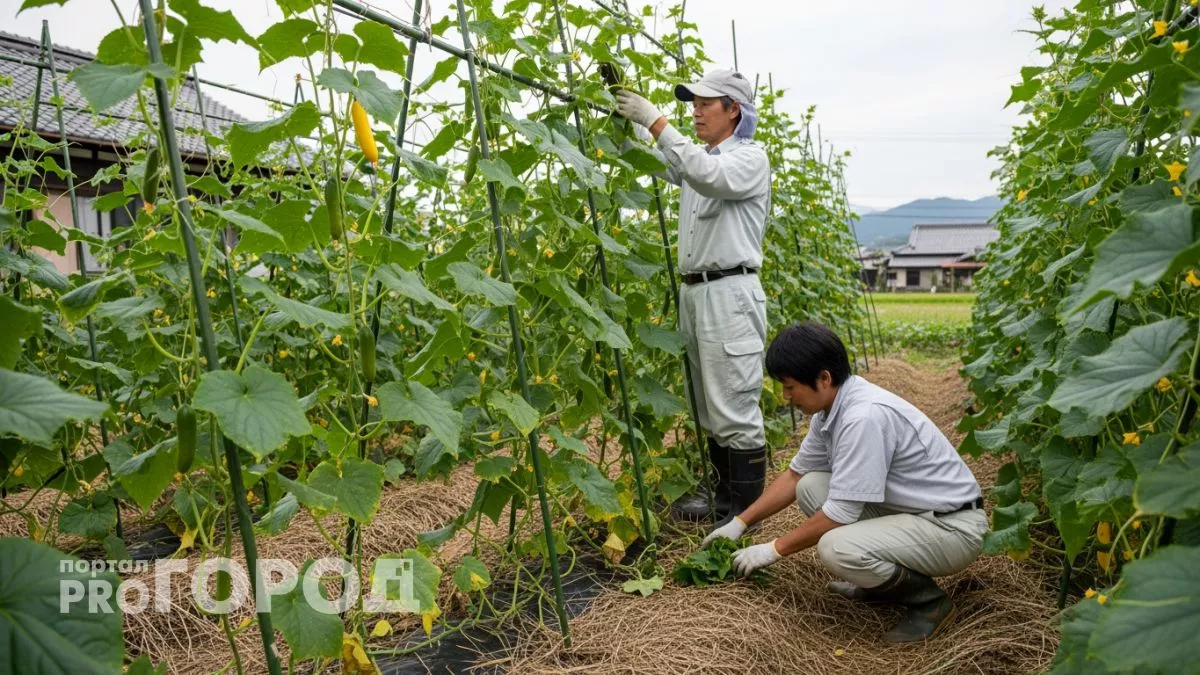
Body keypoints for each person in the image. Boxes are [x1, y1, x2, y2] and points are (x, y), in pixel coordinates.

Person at [703, 322, 987, 642]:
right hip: (918, 513)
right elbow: (795, 475)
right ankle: (879, 582)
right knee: (810, 486)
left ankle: (930, 604)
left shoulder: (862, 417)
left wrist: (773, 549)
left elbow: (840, 513)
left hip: (953, 528)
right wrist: (740, 522)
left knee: (835, 547)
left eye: (789, 386)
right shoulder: (830, 411)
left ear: (823, 379)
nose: (785, 396)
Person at [615, 70, 772, 525]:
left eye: (706, 103)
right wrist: (620, 117)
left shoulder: (748, 158)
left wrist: (654, 119)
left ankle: (743, 516)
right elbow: (644, 159)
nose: (696, 110)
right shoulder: (700, 157)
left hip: (730, 293)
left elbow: (705, 174)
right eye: (692, 103)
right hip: (698, 294)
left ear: (734, 110)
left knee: (735, 406)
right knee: (707, 403)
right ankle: (725, 503)